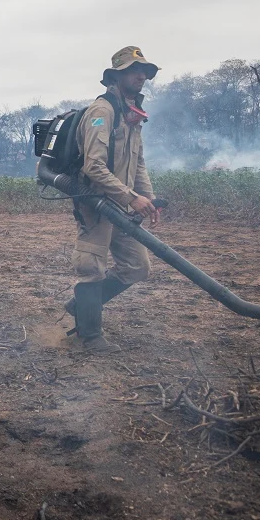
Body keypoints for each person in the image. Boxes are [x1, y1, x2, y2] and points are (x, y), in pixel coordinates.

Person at [65, 46, 160, 354]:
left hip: (121, 205)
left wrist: (148, 197)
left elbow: (139, 162)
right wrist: (132, 198)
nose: (142, 76)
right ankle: (90, 336)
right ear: (117, 75)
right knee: (91, 268)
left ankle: (82, 305)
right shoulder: (102, 112)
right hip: (95, 204)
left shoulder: (132, 113)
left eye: (144, 71)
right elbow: (93, 167)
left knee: (137, 266)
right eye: (135, 70)